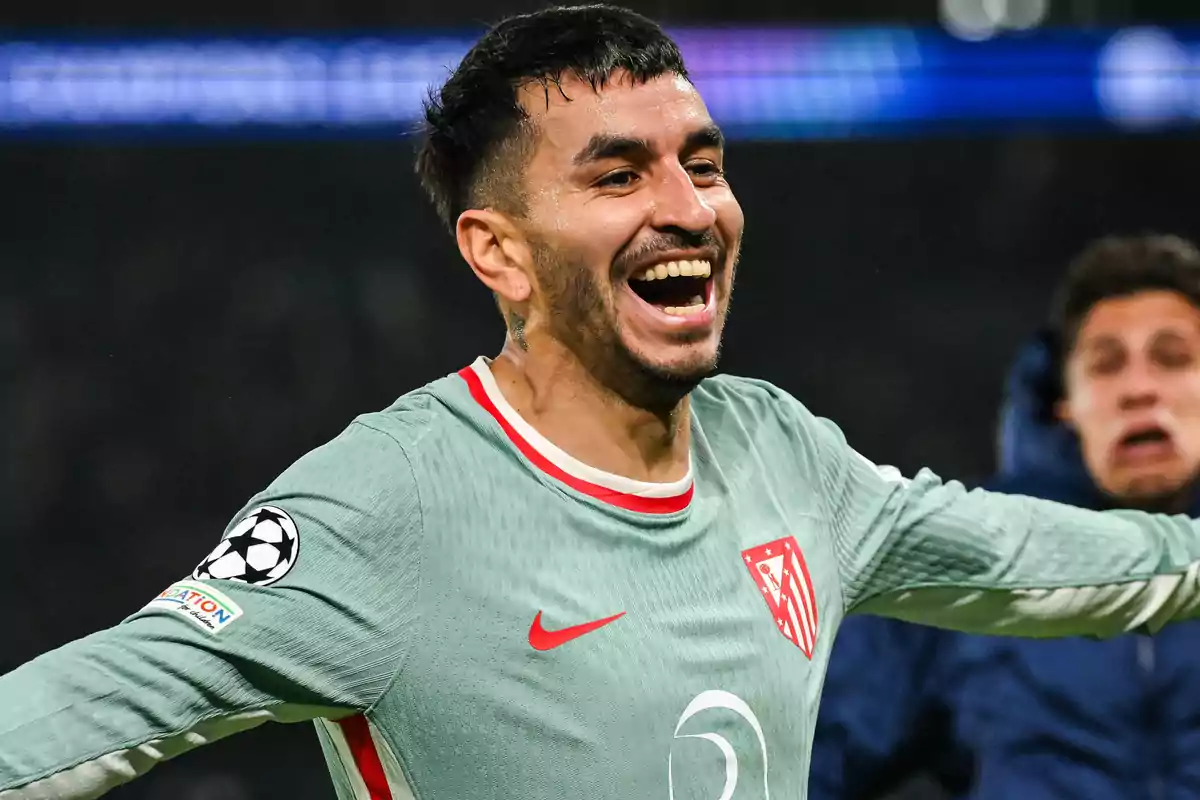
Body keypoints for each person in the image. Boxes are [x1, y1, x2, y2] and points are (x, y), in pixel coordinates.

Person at [6, 9, 1200, 799]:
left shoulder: (784, 451)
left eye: (705, 160)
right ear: (500, 253)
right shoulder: (384, 504)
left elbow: (1044, 559)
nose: (689, 206)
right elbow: (93, 704)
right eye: (618, 172)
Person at [811, 233, 1200, 800]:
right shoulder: (967, 555)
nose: (1139, 390)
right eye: (1106, 365)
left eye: (1173, 359)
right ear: (1065, 403)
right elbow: (810, 760)